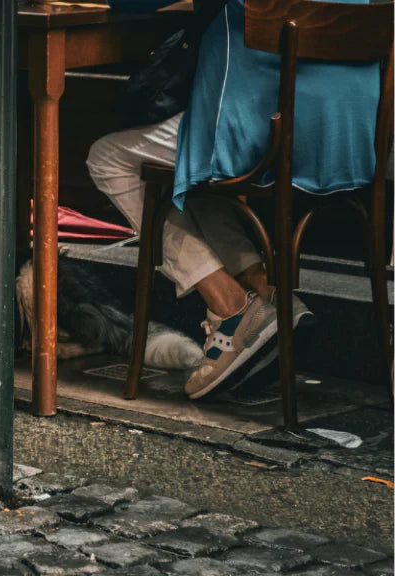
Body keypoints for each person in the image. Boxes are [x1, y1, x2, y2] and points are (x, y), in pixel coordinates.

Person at [87, 0, 380, 399]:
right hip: (352, 139)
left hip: (264, 131)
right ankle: (268, 297)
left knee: (109, 157)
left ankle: (229, 307)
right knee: (193, 176)